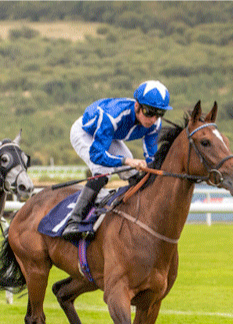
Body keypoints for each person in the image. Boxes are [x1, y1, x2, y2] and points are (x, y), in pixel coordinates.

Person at [61, 80, 172, 241]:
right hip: (85, 133)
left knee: (135, 174)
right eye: (149, 112)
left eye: (159, 114)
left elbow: (151, 159)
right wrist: (126, 161)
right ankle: (74, 221)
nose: (153, 119)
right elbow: (97, 155)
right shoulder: (112, 116)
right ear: (137, 106)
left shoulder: (154, 125)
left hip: (109, 137)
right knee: (103, 172)